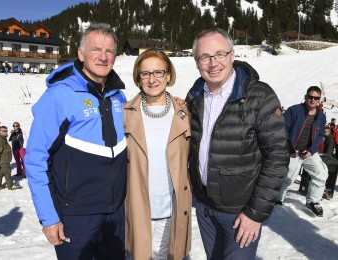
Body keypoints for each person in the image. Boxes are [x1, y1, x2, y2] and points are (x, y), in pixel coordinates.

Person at [25, 23, 127, 260]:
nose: (103, 57)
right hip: (76, 216)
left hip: (115, 214)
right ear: (81, 54)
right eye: (96, 49)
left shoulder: (117, 95)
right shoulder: (59, 96)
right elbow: (35, 159)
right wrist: (49, 218)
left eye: (109, 51)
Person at [185, 28, 289, 259]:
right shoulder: (195, 97)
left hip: (240, 214)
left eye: (219, 54)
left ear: (232, 55)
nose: (213, 63)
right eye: (204, 57)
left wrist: (255, 214)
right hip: (205, 208)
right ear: (196, 62)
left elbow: (277, 157)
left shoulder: (259, 96)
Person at [124, 49, 191, 259]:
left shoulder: (184, 112)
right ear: (138, 78)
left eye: (159, 72)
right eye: (145, 74)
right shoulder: (124, 114)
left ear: (168, 75)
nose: (152, 79)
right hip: (138, 212)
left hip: (172, 212)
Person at [276, 86, 328, 217]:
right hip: (293, 150)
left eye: (316, 98)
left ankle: (313, 201)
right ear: (305, 97)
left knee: (321, 174)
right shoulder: (294, 110)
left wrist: (312, 150)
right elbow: (283, 129)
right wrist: (290, 149)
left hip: (309, 152)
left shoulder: (321, 116)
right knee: (288, 177)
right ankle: (277, 200)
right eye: (310, 97)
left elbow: (321, 134)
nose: (312, 100)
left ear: (319, 100)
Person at [0, 126, 22, 191]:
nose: (6, 132)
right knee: (7, 173)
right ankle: (10, 186)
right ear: (0, 132)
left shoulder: (3, 138)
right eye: (4, 131)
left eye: (6, 130)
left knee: (0, 173)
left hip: (5, 159)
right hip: (3, 160)